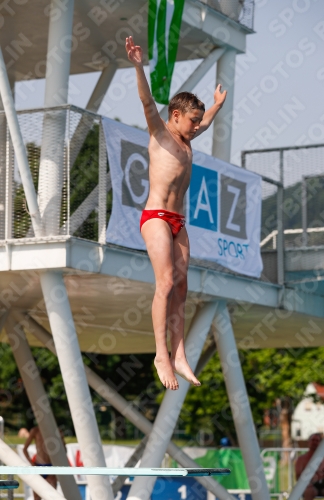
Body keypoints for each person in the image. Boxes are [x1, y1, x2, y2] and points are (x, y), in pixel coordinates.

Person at [125, 36, 227, 390]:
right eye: (193, 121)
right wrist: (139, 65)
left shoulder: (187, 140)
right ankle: (161, 355)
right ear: (176, 116)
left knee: (182, 286)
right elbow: (145, 99)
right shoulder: (161, 133)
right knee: (166, 282)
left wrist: (215, 106)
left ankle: (180, 354)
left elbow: (207, 122)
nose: (197, 126)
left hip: (178, 222)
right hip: (155, 217)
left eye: (199, 122)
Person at [23, 426, 58, 500]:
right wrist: (31, 463)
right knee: (37, 497)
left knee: (52, 496)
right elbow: (24, 449)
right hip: (38, 466)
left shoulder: (55, 430)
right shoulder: (35, 430)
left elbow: (63, 450)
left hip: (51, 466)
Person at [295, 433, 324, 499]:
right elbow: (298, 476)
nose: (314, 442)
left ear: (320, 443)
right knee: (309, 491)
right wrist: (306, 483)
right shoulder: (301, 459)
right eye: (313, 440)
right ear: (308, 442)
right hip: (309, 486)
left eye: (317, 440)